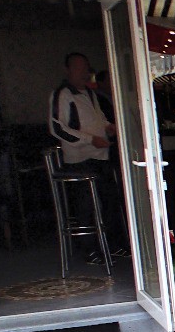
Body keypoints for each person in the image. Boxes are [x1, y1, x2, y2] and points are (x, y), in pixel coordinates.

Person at [49, 52, 127, 259]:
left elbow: (98, 119)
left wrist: (108, 127)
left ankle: (112, 244)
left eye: (86, 67)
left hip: (101, 155)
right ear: (68, 70)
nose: (84, 72)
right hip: (80, 159)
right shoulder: (63, 94)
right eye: (79, 68)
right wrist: (89, 139)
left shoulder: (90, 94)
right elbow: (58, 128)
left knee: (110, 201)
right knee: (86, 206)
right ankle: (90, 250)